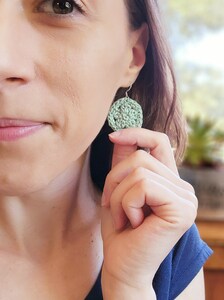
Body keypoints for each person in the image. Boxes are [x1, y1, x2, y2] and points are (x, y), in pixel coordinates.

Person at [0, 0, 212, 299]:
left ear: (133, 56)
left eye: (61, 6)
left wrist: (129, 287)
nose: (3, 61)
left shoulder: (163, 245)